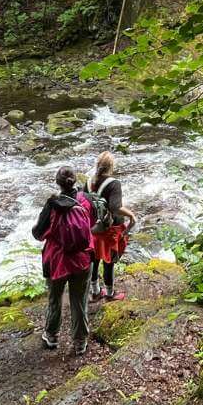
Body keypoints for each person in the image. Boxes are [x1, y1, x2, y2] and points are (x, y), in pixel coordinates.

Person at [32, 166, 94, 355]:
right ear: (75, 180)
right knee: (79, 299)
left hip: (57, 261)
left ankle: (51, 336)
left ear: (57, 183)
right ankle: (80, 341)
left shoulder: (52, 205)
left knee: (54, 298)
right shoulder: (86, 200)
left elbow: (38, 234)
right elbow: (94, 223)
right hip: (82, 259)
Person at [87, 151, 138, 301]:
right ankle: (110, 294)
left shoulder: (89, 182)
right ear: (112, 166)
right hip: (111, 229)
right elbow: (115, 207)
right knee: (109, 260)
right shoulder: (114, 184)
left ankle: (95, 292)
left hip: (94, 227)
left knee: (94, 260)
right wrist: (131, 215)